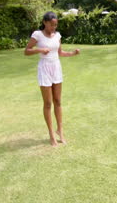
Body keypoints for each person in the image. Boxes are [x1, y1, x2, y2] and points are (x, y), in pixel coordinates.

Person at [24, 12, 80, 147]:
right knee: (48, 103)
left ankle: (60, 131)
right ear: (45, 22)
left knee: (58, 101)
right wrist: (40, 50)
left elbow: (60, 53)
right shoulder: (37, 35)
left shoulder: (58, 36)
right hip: (44, 68)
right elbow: (26, 51)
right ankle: (51, 134)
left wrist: (73, 53)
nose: (53, 27)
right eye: (51, 25)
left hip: (56, 68)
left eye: (55, 25)